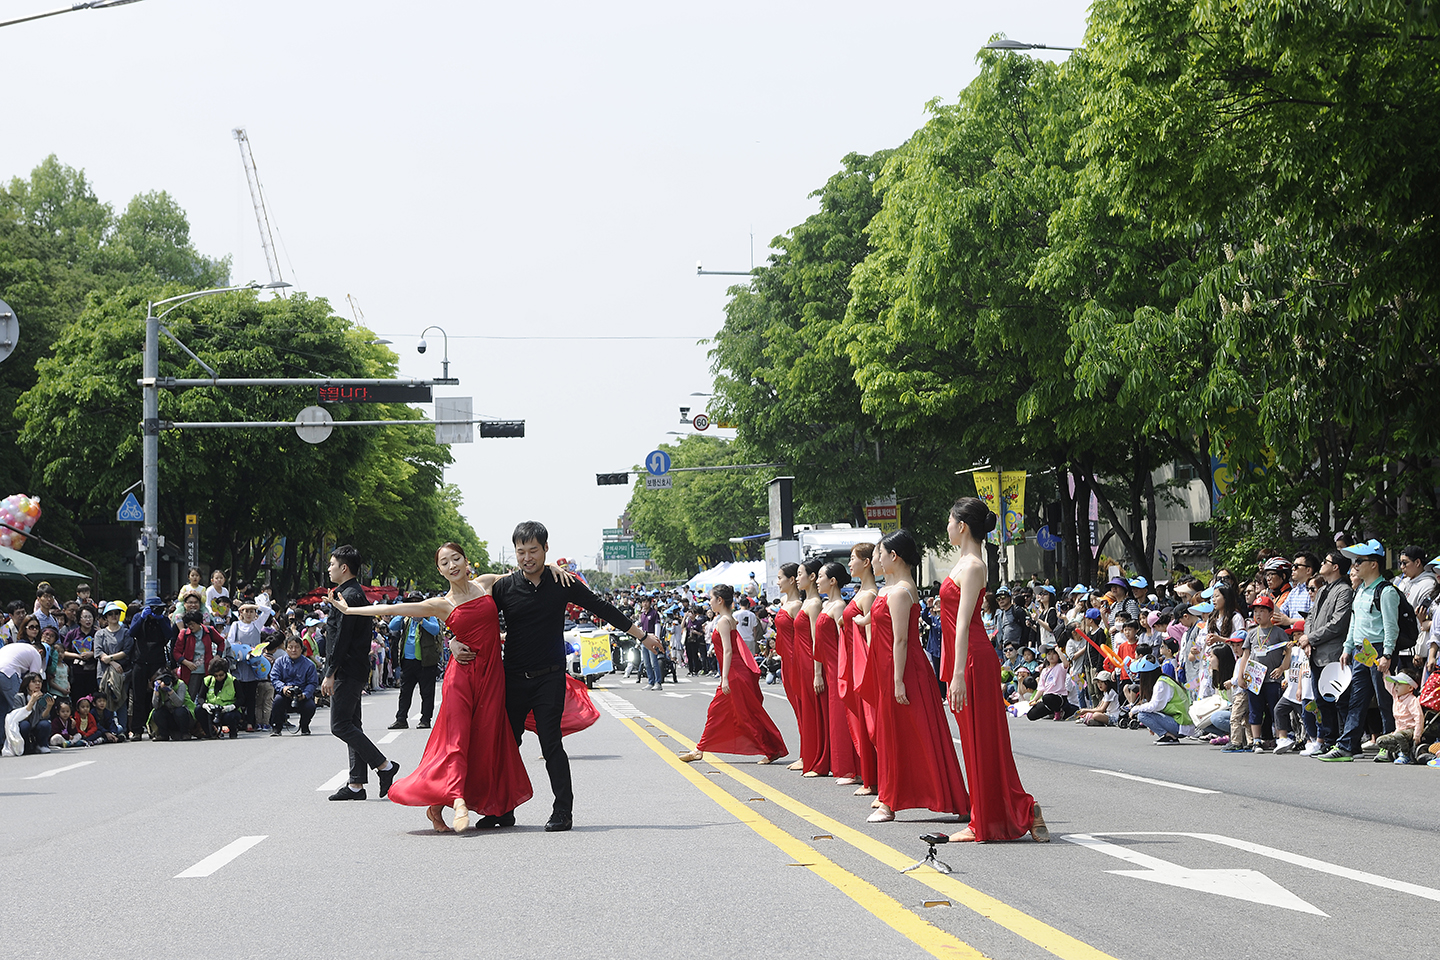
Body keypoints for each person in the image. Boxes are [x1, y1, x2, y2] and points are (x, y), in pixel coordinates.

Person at [446, 522, 660, 832]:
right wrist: (452, 639)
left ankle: (563, 811)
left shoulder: (563, 583)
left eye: (533, 551)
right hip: (513, 679)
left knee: (551, 744)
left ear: (546, 550)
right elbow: (464, 605)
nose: (526, 558)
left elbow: (601, 607)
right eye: (521, 552)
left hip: (550, 678)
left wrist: (641, 636)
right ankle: (502, 810)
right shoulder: (504, 587)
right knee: (504, 744)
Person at [331, 543, 535, 832]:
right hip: (461, 679)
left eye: (456, 559)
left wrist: (553, 567)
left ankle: (437, 806)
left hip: (492, 678)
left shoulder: (486, 584)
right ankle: (459, 801)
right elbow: (395, 607)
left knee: (485, 740)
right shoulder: (442, 604)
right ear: (439, 570)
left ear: (466, 561)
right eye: (444, 562)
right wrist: (351, 611)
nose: (452, 565)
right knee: (456, 743)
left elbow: (526, 572)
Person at [939, 499, 1047, 842]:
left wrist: (957, 674)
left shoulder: (972, 566)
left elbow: (962, 624)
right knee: (975, 741)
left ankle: (987, 820)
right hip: (964, 657)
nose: (947, 527)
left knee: (981, 741)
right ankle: (1019, 810)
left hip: (971, 658)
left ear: (962, 526)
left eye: (950, 521)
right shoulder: (962, 563)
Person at [865, 529, 968, 826]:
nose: (878, 560)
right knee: (902, 735)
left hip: (903, 669)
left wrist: (898, 680)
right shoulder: (893, 588)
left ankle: (889, 802)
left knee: (907, 734)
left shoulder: (900, 592)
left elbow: (900, 640)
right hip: (894, 669)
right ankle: (898, 797)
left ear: (894, 556)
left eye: (881, 554)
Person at [321, 545, 402, 801]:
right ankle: (356, 784)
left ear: (344, 568)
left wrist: (330, 672)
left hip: (346, 669)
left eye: (332, 564)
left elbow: (341, 639)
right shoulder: (350, 593)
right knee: (352, 724)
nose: (329, 568)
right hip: (354, 667)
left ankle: (384, 766)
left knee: (340, 725)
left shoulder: (349, 596)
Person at [678, 584, 787, 765]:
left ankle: (771, 749)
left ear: (720, 600)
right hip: (737, 671)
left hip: (734, 673)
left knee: (742, 714)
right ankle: (700, 749)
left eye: (711, 599)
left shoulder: (723, 621)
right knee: (731, 712)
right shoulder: (729, 619)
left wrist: (725, 677)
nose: (709, 603)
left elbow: (728, 651)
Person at [1323, 539, 1399, 761]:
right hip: (1360, 651)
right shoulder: (1360, 591)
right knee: (1357, 699)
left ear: (1374, 564)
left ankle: (1389, 743)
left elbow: (1391, 627)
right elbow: (1354, 624)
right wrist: (1347, 648)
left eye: (1359, 561)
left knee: (1385, 699)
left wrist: (1387, 654)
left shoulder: (1386, 592)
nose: (1354, 566)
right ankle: (1347, 745)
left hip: (1378, 650)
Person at [814, 561, 859, 785]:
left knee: (842, 716)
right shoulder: (825, 605)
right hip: (828, 666)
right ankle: (842, 765)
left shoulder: (839, 606)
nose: (817, 580)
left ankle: (851, 768)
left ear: (832, 581)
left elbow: (844, 641)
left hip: (838, 666)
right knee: (834, 716)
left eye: (821, 576)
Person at [840, 544, 879, 797]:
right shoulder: (861, 592)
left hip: (862, 663)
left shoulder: (870, 595)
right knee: (860, 721)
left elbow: (870, 637)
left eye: (853, 559)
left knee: (870, 722)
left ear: (867, 562)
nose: (849, 564)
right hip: (853, 662)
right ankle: (869, 777)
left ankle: (874, 780)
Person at [793, 558, 831, 778]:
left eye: (800, 574)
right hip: (802, 662)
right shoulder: (806, 603)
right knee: (807, 711)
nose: (798, 578)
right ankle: (810, 757)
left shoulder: (815, 604)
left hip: (811, 663)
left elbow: (818, 640)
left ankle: (819, 761)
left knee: (815, 712)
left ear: (812, 576)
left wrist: (817, 672)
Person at [127, 598, 176, 741]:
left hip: (157, 662)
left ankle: (158, 729)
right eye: (153, 608)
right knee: (138, 696)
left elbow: (169, 635)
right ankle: (136, 730)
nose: (156, 610)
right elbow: (132, 633)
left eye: (158, 608)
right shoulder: (139, 616)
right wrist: (142, 618)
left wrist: (160, 619)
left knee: (158, 696)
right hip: (140, 661)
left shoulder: (163, 619)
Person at [388, 606, 441, 729]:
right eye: (411, 603)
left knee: (427, 693)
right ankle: (401, 719)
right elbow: (392, 626)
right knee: (404, 692)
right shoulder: (406, 619)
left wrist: (422, 620)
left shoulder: (429, 616)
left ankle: (425, 719)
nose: (414, 605)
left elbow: (435, 630)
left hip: (425, 662)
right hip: (408, 662)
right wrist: (403, 612)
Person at [773, 563, 805, 766]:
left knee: (802, 707)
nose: (777, 582)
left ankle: (806, 754)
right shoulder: (785, 602)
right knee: (796, 707)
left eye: (780, 578)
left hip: (796, 660)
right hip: (785, 660)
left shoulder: (797, 606)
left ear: (791, 580)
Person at [1130, 657, 1194, 743]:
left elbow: (1154, 706)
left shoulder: (1161, 684)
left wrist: (1134, 709)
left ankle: (1169, 736)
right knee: (1145, 713)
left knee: (1142, 715)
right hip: (1181, 723)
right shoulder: (1164, 679)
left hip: (1181, 725)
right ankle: (1169, 735)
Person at [269, 636, 319, 736]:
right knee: (277, 701)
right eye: (290, 647)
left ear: (301, 648)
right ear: (286, 648)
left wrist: (304, 694)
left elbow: (312, 683)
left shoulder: (309, 665)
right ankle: (276, 728)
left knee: (310, 706)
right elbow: (274, 678)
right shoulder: (279, 662)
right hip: (285, 694)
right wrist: (283, 688)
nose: (293, 650)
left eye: (296, 647)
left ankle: (304, 726)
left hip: (302, 695)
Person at [197, 658, 243, 738]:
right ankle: (210, 732)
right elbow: (200, 697)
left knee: (230, 716)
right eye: (216, 676)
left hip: (228, 710)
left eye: (221, 675)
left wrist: (232, 707)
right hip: (212, 710)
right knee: (198, 710)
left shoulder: (233, 681)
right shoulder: (207, 680)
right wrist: (205, 705)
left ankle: (233, 730)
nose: (218, 678)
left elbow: (241, 698)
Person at [9, 673, 53, 754]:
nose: (37, 684)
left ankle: (41, 745)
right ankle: (25, 747)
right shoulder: (19, 697)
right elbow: (19, 717)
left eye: (39, 681)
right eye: (34, 681)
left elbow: (43, 717)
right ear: (27, 684)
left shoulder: (42, 698)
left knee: (45, 724)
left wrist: (49, 707)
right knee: (24, 725)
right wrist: (32, 701)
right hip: (24, 724)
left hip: (36, 724)